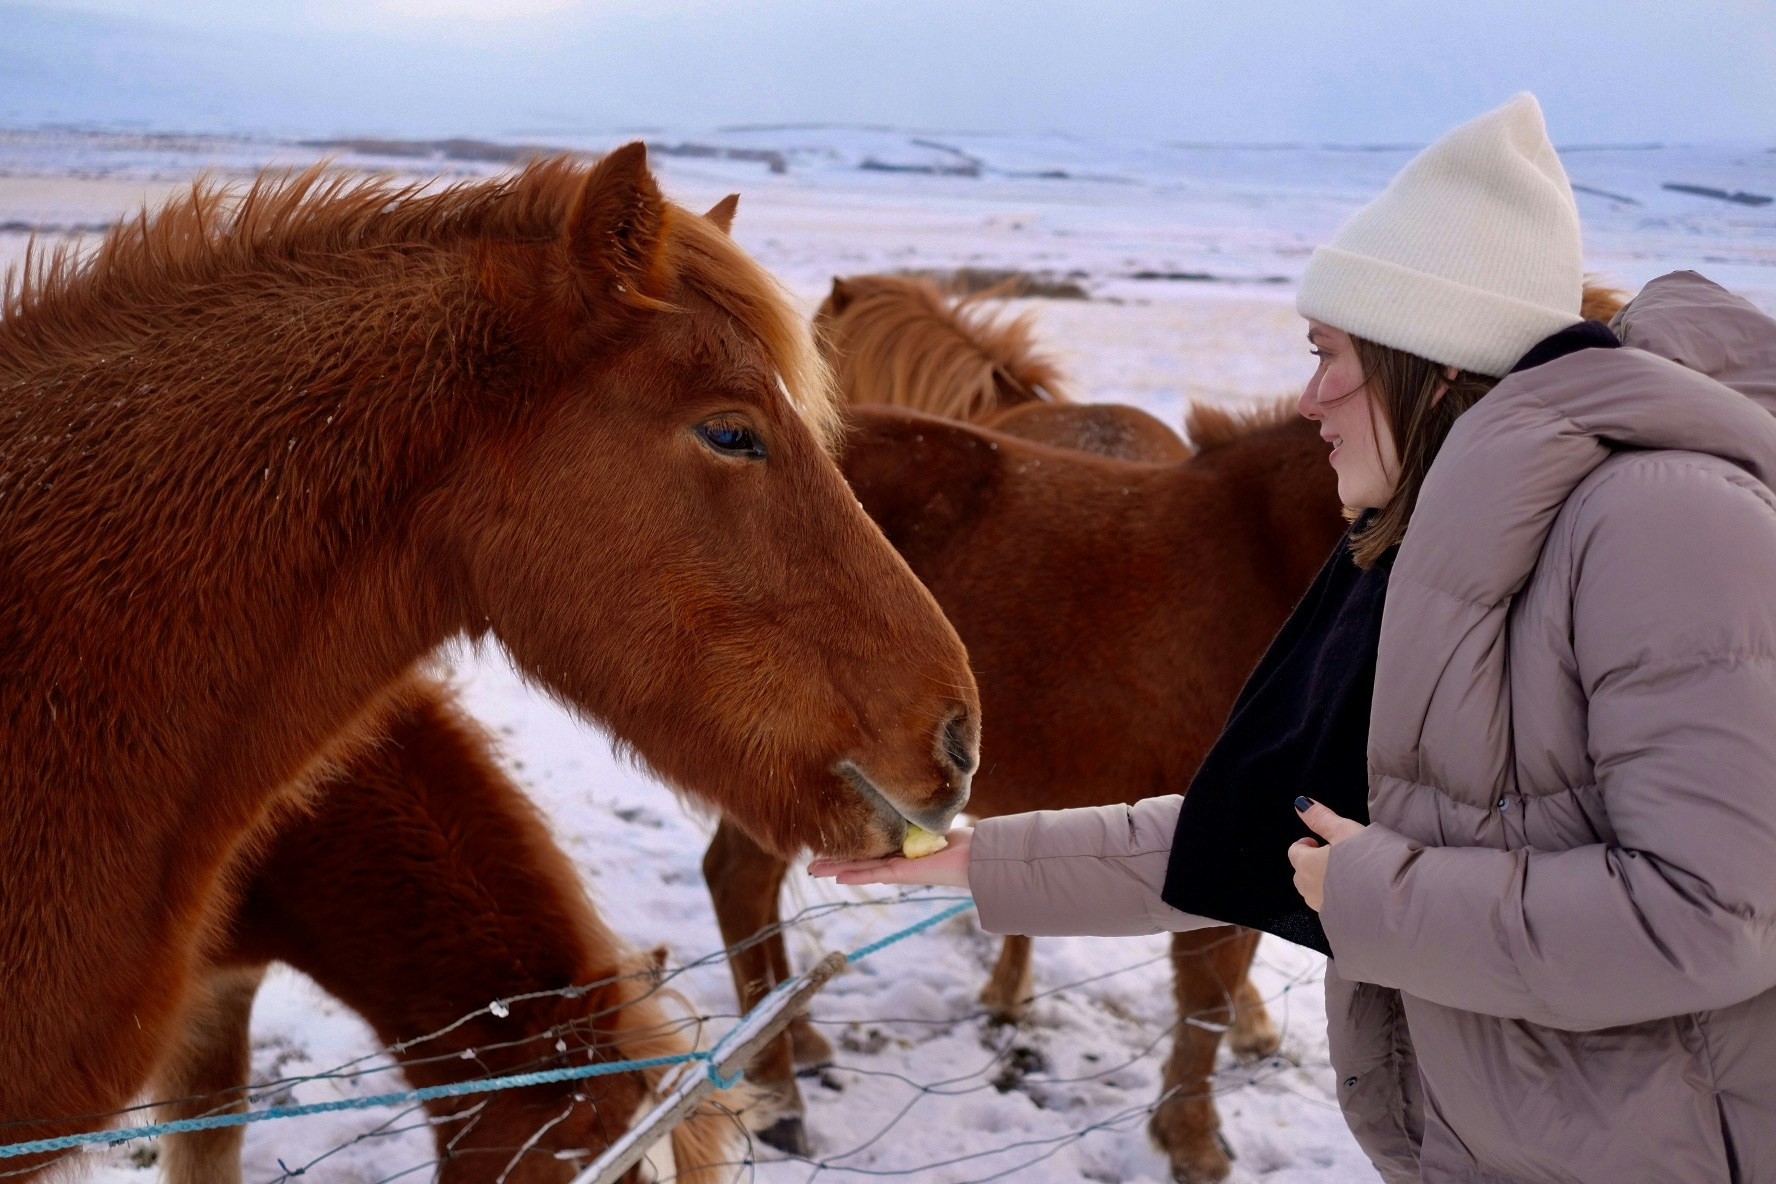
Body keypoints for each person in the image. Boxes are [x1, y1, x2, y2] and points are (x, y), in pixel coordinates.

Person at [811, 93, 1776, 1183]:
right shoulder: (1431, 549)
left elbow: (1712, 915)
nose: (1309, 397)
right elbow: (1269, 832)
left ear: (1435, 364)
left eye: (1333, 355)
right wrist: (987, 854)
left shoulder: (1663, 520)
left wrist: (1382, 896)